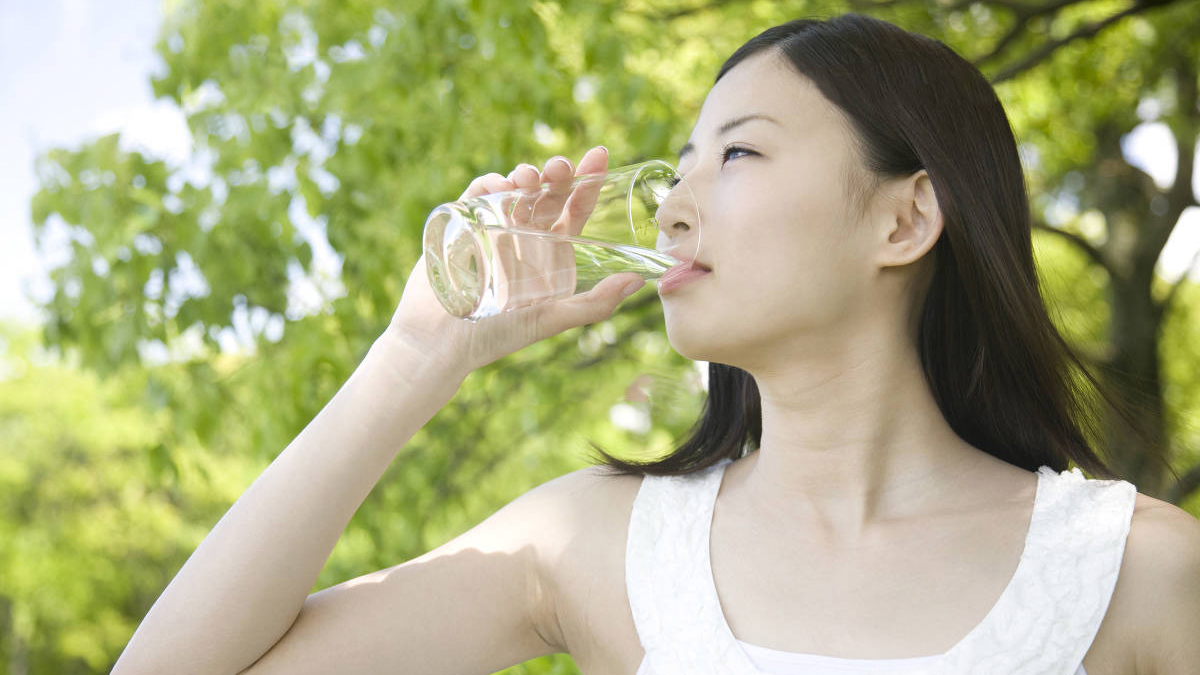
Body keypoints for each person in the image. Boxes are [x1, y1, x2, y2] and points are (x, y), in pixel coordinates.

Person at [112, 13, 1200, 675]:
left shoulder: (1136, 569)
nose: (674, 207)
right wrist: (417, 355)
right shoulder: (591, 544)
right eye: (679, 165)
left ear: (904, 219)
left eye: (737, 156)